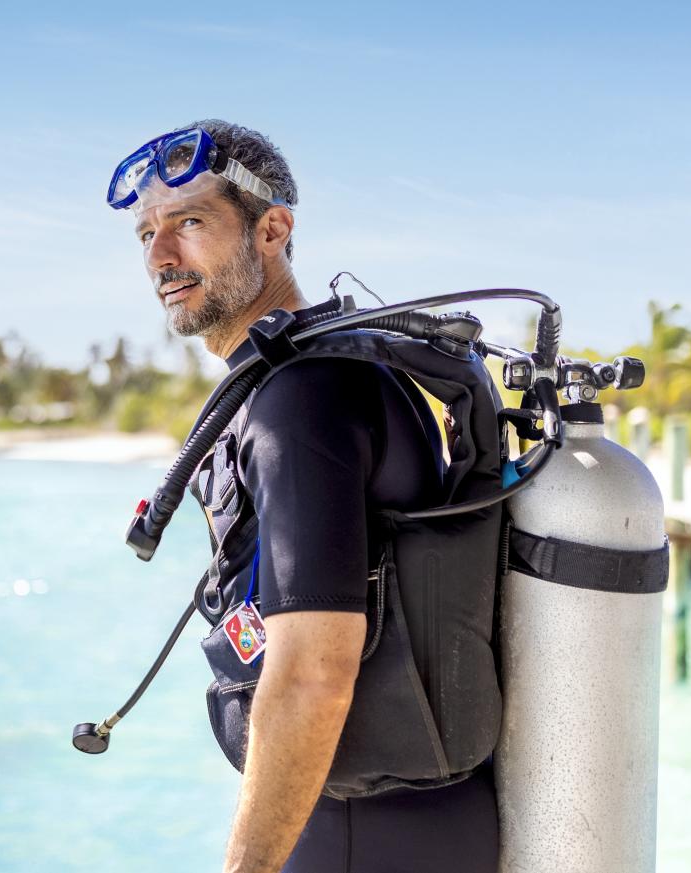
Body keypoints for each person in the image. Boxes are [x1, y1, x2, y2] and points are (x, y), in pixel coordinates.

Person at [108, 120, 499, 873]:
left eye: (189, 222)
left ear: (272, 229)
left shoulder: (304, 399)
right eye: (147, 233)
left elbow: (315, 673)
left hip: (365, 832)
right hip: (393, 821)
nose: (161, 256)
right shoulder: (323, 374)